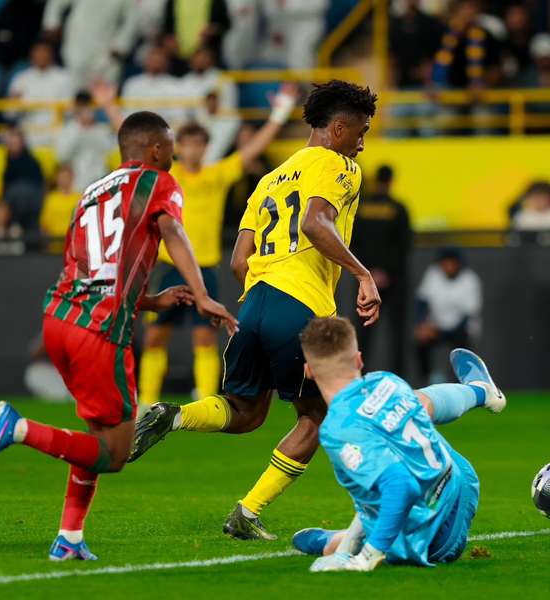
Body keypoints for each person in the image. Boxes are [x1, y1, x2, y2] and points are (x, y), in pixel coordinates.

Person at [0, 110, 238, 561]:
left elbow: (94, 268)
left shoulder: (90, 192)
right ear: (155, 149)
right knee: (115, 452)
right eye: (169, 146)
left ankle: (69, 537)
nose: (171, 155)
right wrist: (202, 293)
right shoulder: (158, 181)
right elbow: (172, 230)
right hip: (99, 332)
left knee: (97, 435)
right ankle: (18, 428)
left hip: (60, 318)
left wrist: (152, 301)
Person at [131, 80, 381, 541]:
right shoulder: (338, 165)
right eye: (361, 131)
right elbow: (314, 221)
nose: (363, 143)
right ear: (339, 128)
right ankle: (250, 511)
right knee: (319, 415)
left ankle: (175, 416)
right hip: (302, 305)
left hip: (256, 302)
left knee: (247, 411)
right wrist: (363, 275)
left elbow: (238, 260)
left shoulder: (270, 178)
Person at [290, 317, 504, 571]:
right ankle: (480, 391)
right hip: (462, 483)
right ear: (358, 360)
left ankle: (333, 541)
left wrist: (367, 556)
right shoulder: (386, 381)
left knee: (377, 495)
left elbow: (400, 484)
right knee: (415, 404)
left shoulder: (337, 429)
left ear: (309, 371)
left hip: (435, 539)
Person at [136, 84, 297, 413]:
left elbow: (252, 152)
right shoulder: (168, 175)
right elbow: (131, 144)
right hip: (168, 267)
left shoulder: (216, 175)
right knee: (155, 337)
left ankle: (204, 402)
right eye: (187, 144)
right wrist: (110, 105)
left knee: (204, 340)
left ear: (206, 148)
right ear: (177, 148)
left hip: (205, 267)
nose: (193, 150)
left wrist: (279, 114)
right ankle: (146, 402)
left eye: (199, 144)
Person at [349, 165, 411, 372]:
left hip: (365, 279)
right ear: (391, 180)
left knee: (364, 333)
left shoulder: (362, 208)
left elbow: (352, 243)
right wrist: (386, 272)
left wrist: (369, 273)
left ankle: (360, 377)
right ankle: (398, 380)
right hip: (394, 281)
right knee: (397, 335)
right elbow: (404, 245)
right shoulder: (398, 208)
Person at [414, 248, 482, 385]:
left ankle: (462, 383)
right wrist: (421, 324)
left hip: (461, 330)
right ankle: (427, 381)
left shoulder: (470, 279)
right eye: (445, 263)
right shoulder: (433, 274)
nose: (448, 267)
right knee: (420, 341)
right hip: (436, 327)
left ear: (459, 264)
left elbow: (467, 317)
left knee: (462, 350)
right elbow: (422, 301)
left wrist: (440, 331)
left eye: (452, 263)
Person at [55, 84, 124, 193]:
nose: (84, 109)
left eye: (87, 105)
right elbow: (61, 156)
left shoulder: (101, 129)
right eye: (81, 105)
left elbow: (115, 148)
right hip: (77, 184)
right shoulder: (68, 130)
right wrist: (80, 129)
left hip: (102, 182)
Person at [8, 41, 72, 147]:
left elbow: (70, 111)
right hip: (28, 136)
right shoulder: (21, 79)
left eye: (44, 52)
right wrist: (15, 103)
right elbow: (9, 114)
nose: (41, 56)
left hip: (57, 135)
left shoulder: (64, 78)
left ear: (51, 54)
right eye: (38, 52)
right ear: (31, 55)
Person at [1, 126, 45, 234]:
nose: (13, 145)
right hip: (14, 211)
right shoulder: (8, 165)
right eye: (11, 143)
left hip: (31, 210)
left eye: (16, 142)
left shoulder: (32, 163)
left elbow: (39, 187)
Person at [39, 164, 81, 241]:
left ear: (72, 178)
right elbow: (44, 224)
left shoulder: (79, 198)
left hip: (73, 242)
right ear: (57, 179)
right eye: (62, 177)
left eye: (66, 177)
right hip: (54, 243)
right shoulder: (51, 198)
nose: (64, 180)